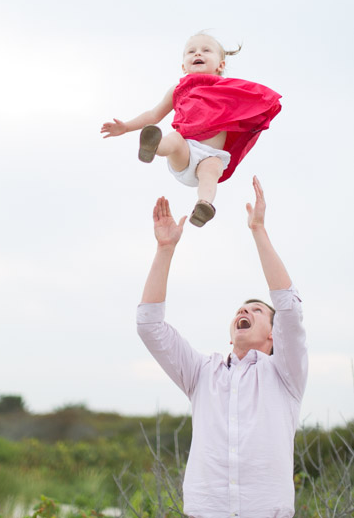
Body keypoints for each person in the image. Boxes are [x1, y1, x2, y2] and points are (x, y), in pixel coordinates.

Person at [137, 176, 308, 518]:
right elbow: (149, 326)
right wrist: (165, 249)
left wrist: (258, 228)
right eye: (241, 310)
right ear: (231, 334)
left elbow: (288, 306)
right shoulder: (201, 372)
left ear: (274, 336)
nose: (245, 311)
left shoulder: (285, 375)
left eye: (257, 310)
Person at [101, 33, 281, 227]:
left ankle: (204, 205)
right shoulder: (178, 89)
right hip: (185, 151)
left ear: (220, 65)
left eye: (206, 50)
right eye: (191, 51)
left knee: (212, 168)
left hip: (211, 155)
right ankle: (154, 146)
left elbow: (250, 101)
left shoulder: (228, 90)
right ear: (183, 66)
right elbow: (153, 115)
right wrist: (126, 126)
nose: (198, 53)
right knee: (175, 139)